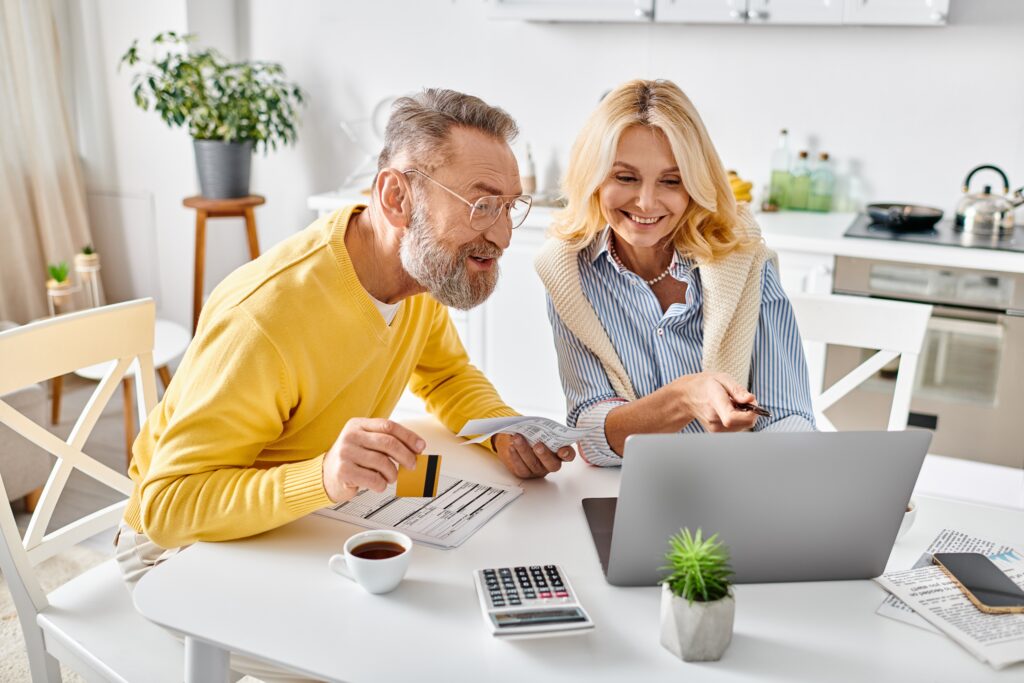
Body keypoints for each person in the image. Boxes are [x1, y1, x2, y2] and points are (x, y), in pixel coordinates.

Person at [117, 88, 576, 586]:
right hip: (177, 554)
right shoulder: (263, 318)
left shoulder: (416, 274)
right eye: (482, 204)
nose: (504, 236)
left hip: (306, 521)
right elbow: (167, 506)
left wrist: (501, 431)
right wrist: (324, 476)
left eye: (509, 206)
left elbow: (446, 375)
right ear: (397, 198)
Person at [535, 79, 815, 467]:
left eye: (671, 180)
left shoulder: (745, 257)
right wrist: (685, 397)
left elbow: (787, 417)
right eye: (625, 177)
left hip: (737, 483)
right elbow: (593, 436)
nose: (646, 202)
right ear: (594, 177)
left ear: (695, 184)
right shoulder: (567, 271)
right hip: (630, 489)